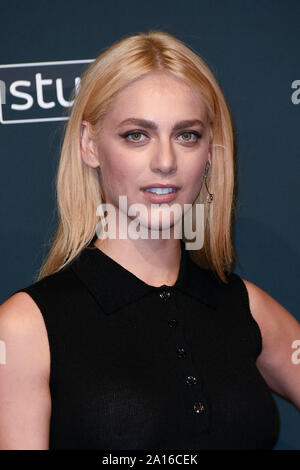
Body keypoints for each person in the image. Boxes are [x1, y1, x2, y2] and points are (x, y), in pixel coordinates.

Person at [0, 29, 299, 451]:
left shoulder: (243, 304)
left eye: (187, 135)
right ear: (90, 145)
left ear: (210, 152)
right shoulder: (23, 327)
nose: (165, 162)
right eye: (136, 135)